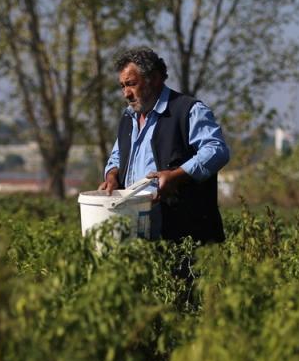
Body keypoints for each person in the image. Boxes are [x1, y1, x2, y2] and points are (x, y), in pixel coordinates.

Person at [99, 47, 231, 244]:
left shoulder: (188, 110)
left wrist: (176, 176)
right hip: (135, 233)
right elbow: (117, 156)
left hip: (184, 234)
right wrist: (111, 176)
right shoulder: (128, 118)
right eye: (122, 86)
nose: (126, 93)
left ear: (154, 78)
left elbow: (216, 150)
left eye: (131, 84)